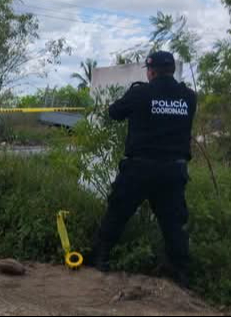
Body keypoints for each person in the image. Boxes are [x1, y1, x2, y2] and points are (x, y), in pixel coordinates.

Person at [91, 51, 197, 286]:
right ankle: (181, 274)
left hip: (139, 169)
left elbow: (114, 113)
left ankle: (100, 259)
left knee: (117, 213)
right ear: (170, 70)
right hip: (173, 171)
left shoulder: (140, 93)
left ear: (150, 71)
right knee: (173, 223)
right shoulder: (189, 97)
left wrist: (132, 94)